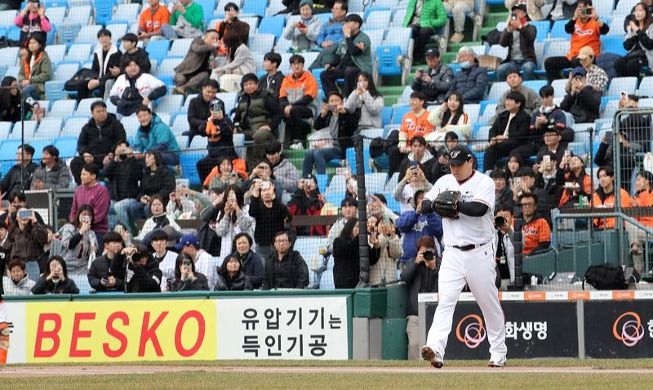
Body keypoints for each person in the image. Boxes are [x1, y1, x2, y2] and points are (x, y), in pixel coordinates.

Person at [421, 144, 507, 369]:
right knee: (445, 301)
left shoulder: (484, 182)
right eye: (452, 165)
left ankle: (498, 352)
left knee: (488, 304)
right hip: (452, 253)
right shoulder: (444, 182)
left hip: (479, 251)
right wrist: (436, 204)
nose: (455, 169)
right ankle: (436, 349)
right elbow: (424, 205)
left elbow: (479, 209)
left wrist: (455, 205)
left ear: (471, 161)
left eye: (459, 164)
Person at [544, 0, 608, 83]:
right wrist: (574, 18)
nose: (581, 11)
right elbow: (567, 29)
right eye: (579, 8)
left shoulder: (595, 22)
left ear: (589, 8)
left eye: (583, 8)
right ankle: (557, 82)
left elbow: (605, 30)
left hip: (588, 59)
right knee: (549, 62)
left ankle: (578, 82)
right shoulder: (575, 22)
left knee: (576, 60)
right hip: (572, 57)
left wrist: (595, 17)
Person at [401, 236, 439, 360]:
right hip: (415, 314)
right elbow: (405, 277)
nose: (427, 255)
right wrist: (416, 263)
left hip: (436, 314)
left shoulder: (441, 264)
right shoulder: (413, 263)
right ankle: (414, 371)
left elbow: (447, 282)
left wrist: (434, 268)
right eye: (424, 252)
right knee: (414, 344)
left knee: (435, 346)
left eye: (429, 252)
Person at [72, 101, 127, 185]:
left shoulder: (116, 124)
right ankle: (82, 187)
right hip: (92, 159)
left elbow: (121, 140)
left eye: (103, 111)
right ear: (92, 113)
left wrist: (111, 153)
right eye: (98, 111)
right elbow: (81, 143)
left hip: (110, 157)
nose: (101, 113)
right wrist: (85, 153)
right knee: (75, 162)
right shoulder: (87, 127)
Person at [303, 91, 357, 176]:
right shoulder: (327, 116)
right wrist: (322, 115)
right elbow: (316, 127)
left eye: (337, 100)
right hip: (325, 146)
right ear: (328, 103)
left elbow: (353, 128)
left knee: (318, 153)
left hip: (339, 149)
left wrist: (345, 113)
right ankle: (306, 179)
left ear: (342, 102)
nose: (334, 103)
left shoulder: (346, 115)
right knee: (309, 153)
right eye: (331, 101)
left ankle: (321, 180)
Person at [233, 73, 282, 165]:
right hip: (247, 129)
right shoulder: (242, 99)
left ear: (257, 84)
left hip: (264, 130)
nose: (248, 87)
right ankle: (238, 165)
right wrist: (235, 127)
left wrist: (270, 126)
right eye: (246, 85)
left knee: (260, 135)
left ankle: (257, 163)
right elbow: (236, 119)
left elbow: (278, 114)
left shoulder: (266, 96)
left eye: (251, 84)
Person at [320, 13, 371, 97]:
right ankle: (334, 97)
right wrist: (331, 65)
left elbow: (354, 52)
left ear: (356, 24)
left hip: (360, 68)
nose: (345, 25)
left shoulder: (364, 38)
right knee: (324, 74)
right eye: (345, 22)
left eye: (348, 22)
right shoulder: (344, 39)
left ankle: (347, 98)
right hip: (344, 68)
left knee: (349, 71)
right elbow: (338, 55)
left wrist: (348, 37)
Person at [483, 91, 533, 171]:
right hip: (501, 146)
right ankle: (488, 174)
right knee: (490, 152)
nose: (507, 103)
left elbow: (521, 134)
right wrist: (492, 138)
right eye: (506, 100)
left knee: (501, 145)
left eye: (510, 101)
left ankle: (487, 146)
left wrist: (505, 137)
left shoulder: (525, 118)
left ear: (518, 104)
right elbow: (493, 129)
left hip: (516, 144)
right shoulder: (502, 115)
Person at [127, 151, 176, 232]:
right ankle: (141, 229)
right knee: (134, 207)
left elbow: (168, 188)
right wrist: (141, 197)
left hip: (161, 200)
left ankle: (153, 229)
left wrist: (154, 199)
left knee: (147, 208)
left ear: (155, 158)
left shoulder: (166, 172)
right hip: (147, 200)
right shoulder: (145, 173)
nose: (146, 159)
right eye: (145, 157)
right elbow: (142, 189)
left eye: (149, 157)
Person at [104, 141, 145, 228]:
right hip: (116, 199)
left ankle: (127, 232)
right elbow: (105, 174)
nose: (121, 150)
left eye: (123, 148)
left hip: (131, 198)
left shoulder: (133, 162)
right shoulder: (113, 164)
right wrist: (115, 160)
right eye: (118, 147)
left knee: (119, 207)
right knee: (103, 205)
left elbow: (138, 175)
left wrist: (131, 157)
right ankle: (109, 233)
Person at [396, 189, 443, 266]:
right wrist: (416, 213)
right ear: (415, 201)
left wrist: (429, 213)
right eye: (421, 198)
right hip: (408, 261)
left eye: (425, 198)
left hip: (430, 260)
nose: (423, 200)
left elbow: (439, 230)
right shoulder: (407, 214)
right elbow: (401, 226)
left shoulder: (434, 215)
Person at [279, 54, 318, 146]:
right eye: (293, 64)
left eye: (299, 63)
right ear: (291, 66)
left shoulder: (309, 78)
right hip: (290, 108)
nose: (296, 66)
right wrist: (285, 107)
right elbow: (282, 97)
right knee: (278, 109)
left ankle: (298, 140)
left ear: (303, 65)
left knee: (294, 110)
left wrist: (291, 106)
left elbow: (308, 99)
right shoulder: (286, 79)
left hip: (308, 108)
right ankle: (282, 142)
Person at [249, 179, 292, 261]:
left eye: (268, 190)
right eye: (263, 190)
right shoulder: (258, 207)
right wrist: (255, 192)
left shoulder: (280, 206)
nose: (266, 193)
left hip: (279, 246)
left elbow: (286, 215)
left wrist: (274, 199)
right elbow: (252, 212)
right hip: (262, 246)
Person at [69, 163, 110, 247]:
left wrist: (85, 223)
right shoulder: (78, 190)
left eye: (84, 174)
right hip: (79, 230)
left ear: (93, 176)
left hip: (98, 231)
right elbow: (74, 209)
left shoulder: (102, 191)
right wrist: (75, 222)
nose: (81, 177)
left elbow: (100, 213)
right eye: (81, 174)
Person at [496, 4, 538, 82]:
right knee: (500, 69)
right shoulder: (510, 28)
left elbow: (530, 39)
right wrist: (508, 30)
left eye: (518, 11)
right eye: (514, 12)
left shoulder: (531, 28)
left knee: (528, 68)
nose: (516, 13)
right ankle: (506, 90)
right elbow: (502, 44)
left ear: (524, 14)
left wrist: (520, 27)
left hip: (527, 60)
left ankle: (525, 90)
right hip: (512, 61)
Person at [78, 28, 122, 100]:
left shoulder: (117, 52)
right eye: (101, 37)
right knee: (81, 85)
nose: (104, 39)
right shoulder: (97, 52)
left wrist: (99, 81)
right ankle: (83, 104)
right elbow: (94, 69)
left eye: (106, 36)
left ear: (110, 38)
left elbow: (112, 72)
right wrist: (93, 79)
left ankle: (103, 105)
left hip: (110, 79)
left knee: (103, 85)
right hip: (98, 79)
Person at [173, 29, 220, 95]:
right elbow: (196, 49)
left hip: (198, 75)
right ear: (206, 37)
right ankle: (180, 93)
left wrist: (212, 61)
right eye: (213, 38)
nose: (215, 40)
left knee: (205, 75)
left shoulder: (212, 50)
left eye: (217, 39)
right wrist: (211, 46)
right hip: (185, 71)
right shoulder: (197, 41)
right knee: (181, 79)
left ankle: (183, 88)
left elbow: (211, 64)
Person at [55, 204, 98, 275]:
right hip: (66, 266)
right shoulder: (69, 227)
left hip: (82, 268)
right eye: (84, 214)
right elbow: (69, 245)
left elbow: (94, 251)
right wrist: (81, 231)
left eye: (89, 215)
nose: (86, 217)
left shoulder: (91, 233)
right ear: (78, 215)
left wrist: (94, 249)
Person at [214, 185, 254, 260]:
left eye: (233, 195)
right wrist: (226, 215)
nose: (231, 198)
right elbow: (220, 232)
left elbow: (245, 225)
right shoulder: (222, 212)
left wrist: (238, 210)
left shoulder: (247, 209)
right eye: (229, 196)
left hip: (245, 249)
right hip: (228, 251)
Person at [396, 92, 435, 168]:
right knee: (393, 151)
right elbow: (403, 132)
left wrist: (412, 148)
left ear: (422, 102)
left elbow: (427, 136)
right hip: (407, 147)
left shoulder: (429, 116)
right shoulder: (407, 116)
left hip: (420, 148)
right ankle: (394, 175)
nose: (411, 102)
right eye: (410, 100)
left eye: (414, 100)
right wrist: (402, 145)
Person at [626, 170, 653, 274]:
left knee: (634, 235)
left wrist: (639, 206)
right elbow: (634, 219)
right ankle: (639, 274)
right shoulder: (638, 197)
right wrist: (634, 207)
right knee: (630, 221)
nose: (636, 183)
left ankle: (638, 273)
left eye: (638, 180)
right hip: (643, 230)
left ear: (646, 180)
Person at [616, 3, 653, 77]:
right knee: (618, 63)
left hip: (646, 55)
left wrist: (638, 30)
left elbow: (650, 44)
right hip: (634, 54)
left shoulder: (651, 26)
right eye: (636, 11)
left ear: (646, 12)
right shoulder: (632, 27)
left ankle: (633, 83)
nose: (637, 13)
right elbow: (626, 46)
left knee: (631, 65)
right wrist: (635, 34)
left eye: (640, 10)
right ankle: (628, 82)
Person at [310, 0, 347, 70]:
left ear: (343, 12)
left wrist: (334, 42)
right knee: (326, 50)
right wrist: (322, 43)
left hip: (338, 46)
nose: (333, 11)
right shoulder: (326, 24)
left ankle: (314, 68)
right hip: (325, 46)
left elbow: (347, 38)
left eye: (336, 9)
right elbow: (320, 36)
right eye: (333, 9)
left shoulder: (347, 24)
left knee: (327, 50)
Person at [368, 217, 402, 287]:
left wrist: (392, 236)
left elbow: (396, 254)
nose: (385, 226)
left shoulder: (395, 238)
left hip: (391, 281)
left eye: (388, 223)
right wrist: (383, 235)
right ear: (376, 226)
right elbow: (377, 252)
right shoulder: (371, 239)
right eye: (382, 223)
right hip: (375, 281)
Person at [265, 140, 299, 204]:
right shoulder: (262, 165)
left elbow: (295, 185)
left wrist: (273, 178)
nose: (270, 157)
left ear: (279, 152)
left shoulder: (289, 166)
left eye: (273, 154)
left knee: (287, 198)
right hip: (264, 194)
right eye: (268, 154)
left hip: (281, 195)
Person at [17, 35, 51, 100]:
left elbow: (46, 75)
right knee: (14, 90)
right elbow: (20, 73)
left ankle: (34, 105)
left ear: (40, 45)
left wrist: (30, 80)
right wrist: (23, 80)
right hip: (26, 83)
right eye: (30, 43)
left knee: (26, 90)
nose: (31, 45)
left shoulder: (44, 57)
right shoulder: (27, 58)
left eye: (34, 43)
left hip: (38, 85)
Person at [332, 218, 363, 288]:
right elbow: (347, 250)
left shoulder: (360, 244)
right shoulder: (338, 242)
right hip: (342, 283)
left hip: (357, 283)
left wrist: (376, 246)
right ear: (350, 227)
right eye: (357, 226)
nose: (359, 229)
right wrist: (358, 238)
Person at [494, 206, 516, 289]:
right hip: (495, 278)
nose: (503, 219)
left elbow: (522, 245)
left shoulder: (516, 231)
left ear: (512, 218)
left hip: (511, 278)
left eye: (506, 216)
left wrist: (509, 231)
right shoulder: (491, 233)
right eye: (500, 216)